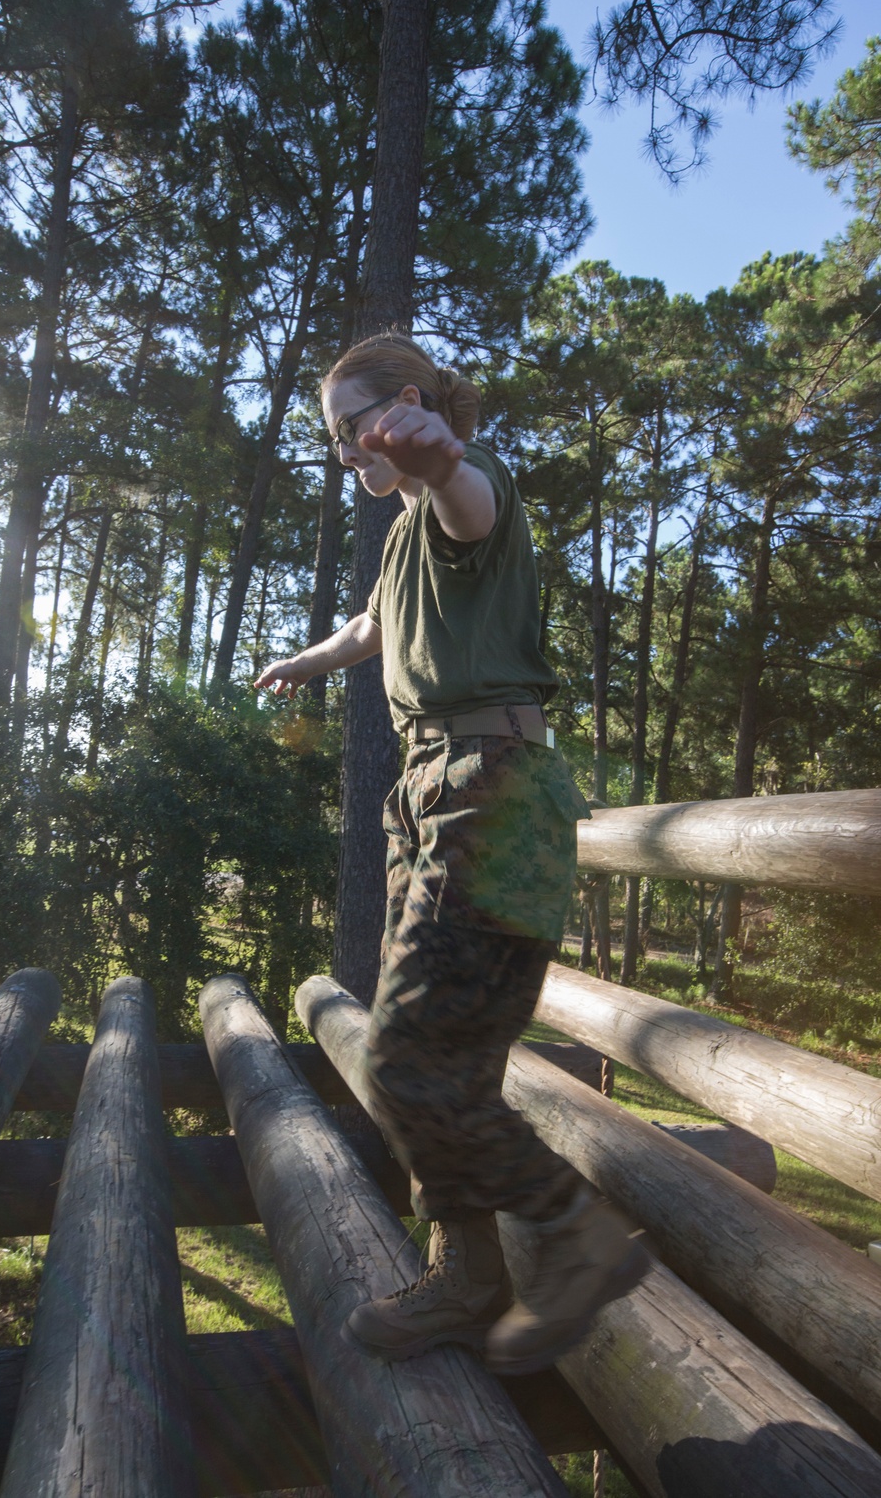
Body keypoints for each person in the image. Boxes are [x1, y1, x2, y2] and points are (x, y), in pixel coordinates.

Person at [255, 333, 647, 1374]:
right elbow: (370, 629)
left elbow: (464, 499)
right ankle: (467, 1270)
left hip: (494, 793)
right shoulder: (399, 544)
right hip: (427, 795)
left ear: (412, 404)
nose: (346, 454)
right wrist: (305, 659)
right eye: (335, 441)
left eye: (354, 430)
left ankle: (575, 1232)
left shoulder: (472, 496)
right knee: (430, 1052)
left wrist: (439, 461)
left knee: (404, 1059)